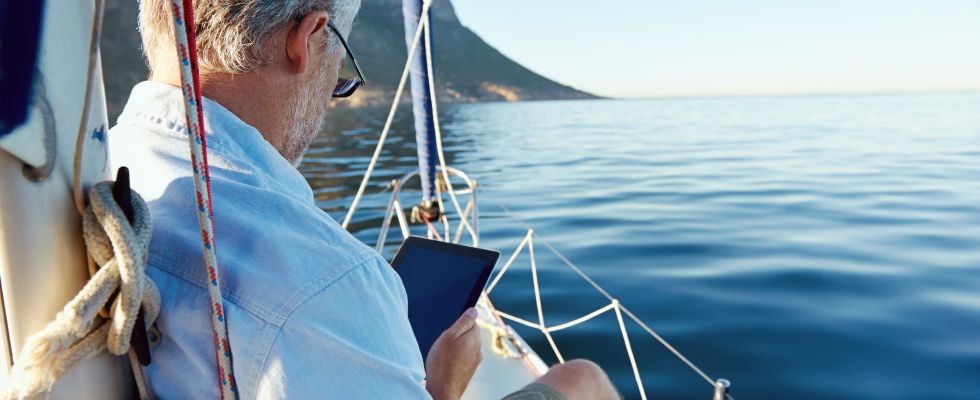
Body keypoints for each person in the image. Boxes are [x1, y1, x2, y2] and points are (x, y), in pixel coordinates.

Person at [111, 0, 621, 399]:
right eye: (342, 69)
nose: (334, 92)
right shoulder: (323, 287)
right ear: (308, 38)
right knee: (582, 378)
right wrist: (441, 387)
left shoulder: (103, 167)